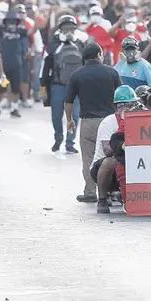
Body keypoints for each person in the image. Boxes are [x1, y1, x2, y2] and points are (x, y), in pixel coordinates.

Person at [66, 41, 122, 204]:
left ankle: (90, 191)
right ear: (99, 55)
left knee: (89, 158)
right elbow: (121, 97)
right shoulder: (112, 73)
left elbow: (68, 101)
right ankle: (111, 192)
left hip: (88, 122)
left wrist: (69, 120)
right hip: (110, 122)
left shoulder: (76, 75)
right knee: (113, 156)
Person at [92, 86, 143, 214]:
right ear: (117, 107)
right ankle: (102, 199)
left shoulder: (140, 119)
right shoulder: (108, 122)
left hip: (129, 162)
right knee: (111, 161)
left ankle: (122, 195)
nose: (125, 108)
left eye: (129, 105)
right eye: (122, 105)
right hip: (106, 167)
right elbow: (107, 151)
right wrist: (123, 145)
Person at [42, 15, 85, 153]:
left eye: (71, 28)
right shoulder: (53, 44)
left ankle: (70, 142)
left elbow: (85, 63)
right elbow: (45, 65)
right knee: (56, 115)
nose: (68, 31)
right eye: (65, 28)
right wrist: (43, 86)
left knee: (75, 115)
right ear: (60, 29)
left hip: (76, 86)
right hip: (57, 84)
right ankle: (58, 136)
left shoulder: (80, 44)